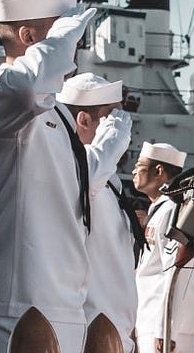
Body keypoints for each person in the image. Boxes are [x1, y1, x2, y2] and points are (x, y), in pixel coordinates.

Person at [0, 0, 99, 352]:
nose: (75, 49)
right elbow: (28, 85)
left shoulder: (57, 114)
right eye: (63, 31)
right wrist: (62, 37)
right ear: (29, 36)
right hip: (11, 312)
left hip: (65, 310)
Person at [59, 73, 137, 351]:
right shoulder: (75, 172)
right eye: (112, 115)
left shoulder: (108, 180)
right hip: (91, 336)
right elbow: (89, 170)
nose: (123, 123)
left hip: (118, 334)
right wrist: (115, 133)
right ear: (84, 120)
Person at [131, 142, 194, 353]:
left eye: (139, 165)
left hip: (164, 325)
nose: (134, 170)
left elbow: (176, 269)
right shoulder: (159, 210)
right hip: (151, 320)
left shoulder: (173, 211)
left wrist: (165, 327)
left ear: (158, 171)